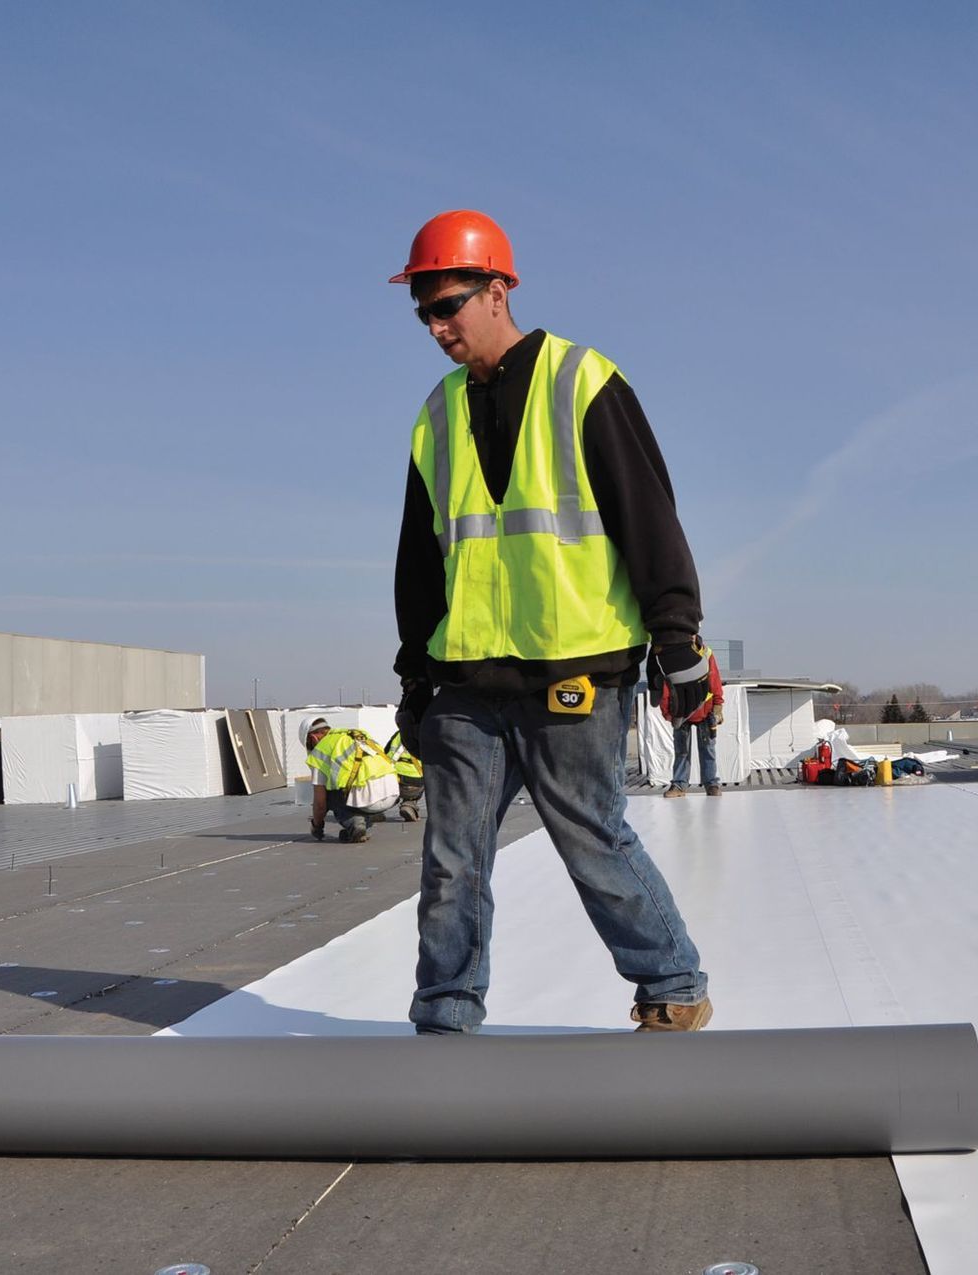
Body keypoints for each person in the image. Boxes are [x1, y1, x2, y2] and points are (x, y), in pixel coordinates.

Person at [390, 209, 714, 1034]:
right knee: (451, 862)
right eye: (423, 310)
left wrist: (677, 641)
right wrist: (415, 674)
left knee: (594, 845)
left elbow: (649, 515)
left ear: (498, 290)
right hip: (466, 678)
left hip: (574, 669)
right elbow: (420, 560)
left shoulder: (584, 380)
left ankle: (673, 987)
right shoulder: (436, 414)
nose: (435, 326)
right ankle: (445, 1016)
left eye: (448, 304)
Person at [304, 717, 400, 844]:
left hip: (368, 800)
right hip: (392, 793)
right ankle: (368, 818)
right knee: (352, 786)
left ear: (313, 738)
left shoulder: (320, 751)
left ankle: (354, 823)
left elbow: (320, 804)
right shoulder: (357, 734)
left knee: (326, 793)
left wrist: (317, 826)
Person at [664, 642, 725, 798]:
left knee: (708, 749)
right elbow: (667, 682)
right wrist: (668, 712)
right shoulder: (673, 653)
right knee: (682, 751)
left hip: (705, 710)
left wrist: (718, 705)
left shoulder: (706, 653)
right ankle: (679, 785)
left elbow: (714, 678)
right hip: (681, 711)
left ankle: (711, 784)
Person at [383, 729, 425, 822]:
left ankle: (376, 811)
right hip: (414, 783)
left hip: (393, 779)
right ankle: (409, 804)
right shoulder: (426, 734)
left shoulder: (398, 734)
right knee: (427, 776)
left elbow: (385, 753)